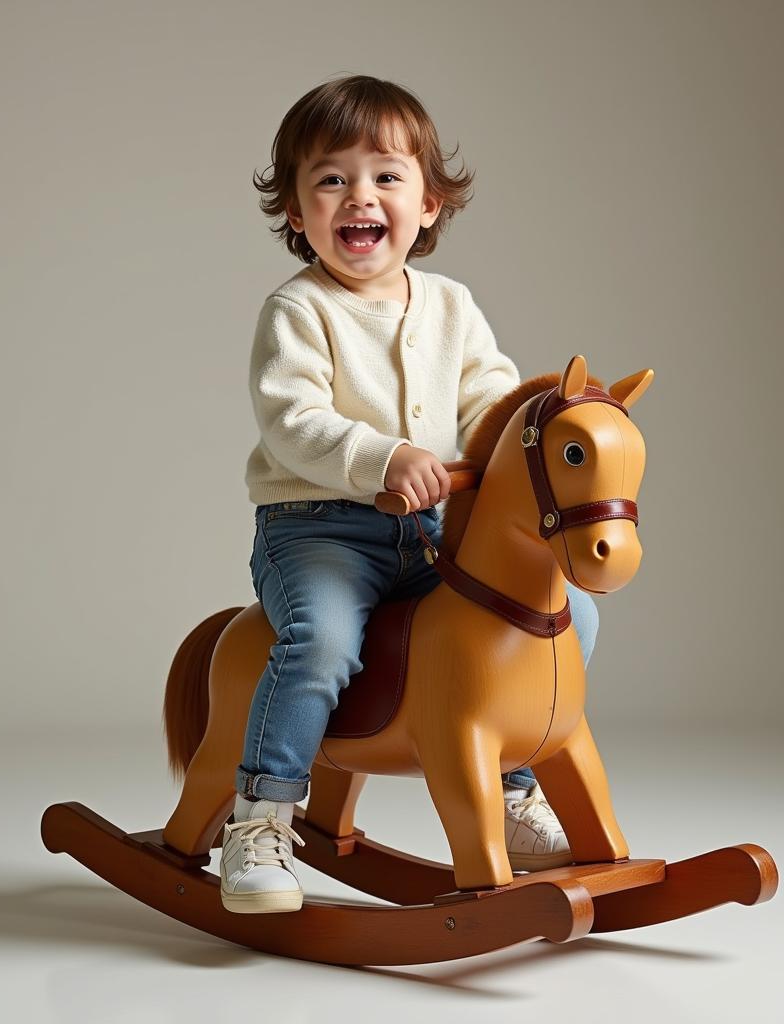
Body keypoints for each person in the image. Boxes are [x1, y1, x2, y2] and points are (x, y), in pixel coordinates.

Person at [222, 75, 601, 914]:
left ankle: (514, 782)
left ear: (428, 205)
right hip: (317, 528)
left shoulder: (452, 306)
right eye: (332, 179)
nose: (361, 196)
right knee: (321, 642)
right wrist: (384, 455)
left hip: (431, 534)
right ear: (295, 210)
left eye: (387, 177)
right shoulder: (298, 311)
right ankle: (262, 816)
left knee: (559, 624)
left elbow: (489, 400)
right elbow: (293, 420)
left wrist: (532, 429)